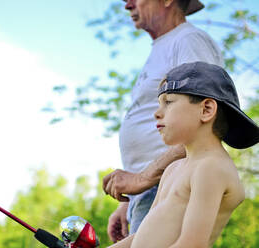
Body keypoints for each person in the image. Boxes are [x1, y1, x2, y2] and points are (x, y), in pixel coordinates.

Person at [102, 0, 224, 242]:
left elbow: (206, 125)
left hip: (170, 186)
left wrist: (144, 179)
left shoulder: (188, 40)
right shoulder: (166, 46)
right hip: (153, 190)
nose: (127, 5)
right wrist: (130, 202)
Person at [108, 61, 259, 248]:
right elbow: (141, 238)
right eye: (158, 104)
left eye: (168, 102)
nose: (157, 113)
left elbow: (192, 244)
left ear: (206, 110)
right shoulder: (173, 169)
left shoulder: (211, 167)